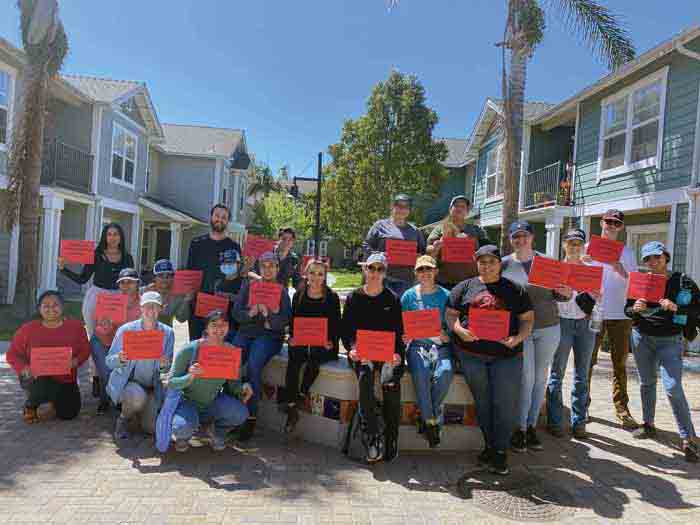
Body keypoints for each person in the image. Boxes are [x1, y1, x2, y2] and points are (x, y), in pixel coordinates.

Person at [446, 245, 534, 476]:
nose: (486, 266)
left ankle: (500, 452)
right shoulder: (465, 287)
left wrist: (518, 338)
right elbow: (451, 314)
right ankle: (489, 446)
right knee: (483, 403)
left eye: (491, 262)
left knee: (504, 404)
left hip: (506, 357)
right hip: (472, 356)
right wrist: (458, 330)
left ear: (499, 264)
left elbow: (527, 319)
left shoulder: (515, 290)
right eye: (482, 262)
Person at [626, 241, 700, 462]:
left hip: (670, 340)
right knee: (646, 382)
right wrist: (634, 308)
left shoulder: (682, 281)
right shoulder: (640, 281)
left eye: (657, 257)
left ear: (666, 257)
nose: (653, 262)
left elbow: (698, 308)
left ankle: (688, 438)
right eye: (648, 259)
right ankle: (648, 424)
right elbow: (627, 309)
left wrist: (677, 307)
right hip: (642, 338)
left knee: (673, 387)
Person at [501, 220, 569, 453]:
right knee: (526, 378)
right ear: (510, 239)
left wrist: (566, 293)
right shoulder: (504, 264)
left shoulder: (547, 262)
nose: (520, 240)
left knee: (540, 377)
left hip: (548, 326)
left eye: (524, 236)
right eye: (516, 236)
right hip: (520, 329)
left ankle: (531, 427)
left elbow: (560, 295)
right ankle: (519, 428)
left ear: (532, 237)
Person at [58, 222, 135, 399]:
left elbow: (130, 282)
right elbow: (82, 279)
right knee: (96, 338)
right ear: (104, 237)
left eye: (116, 234)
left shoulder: (127, 258)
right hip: (97, 298)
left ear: (121, 237)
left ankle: (115, 378)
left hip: (117, 299)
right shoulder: (96, 255)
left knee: (116, 339)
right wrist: (63, 269)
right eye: (109, 234)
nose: (113, 237)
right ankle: (96, 378)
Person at [342, 253, 405, 463]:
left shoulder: (392, 299)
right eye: (372, 268)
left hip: (388, 353)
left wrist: (397, 353)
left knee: (390, 382)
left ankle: (392, 437)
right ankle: (372, 436)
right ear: (364, 270)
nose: (375, 273)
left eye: (380, 269)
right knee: (366, 376)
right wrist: (351, 348)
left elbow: (398, 332)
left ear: (385, 273)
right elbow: (347, 330)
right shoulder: (354, 297)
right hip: (362, 352)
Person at [584, 209, 639, 429]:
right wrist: (583, 261)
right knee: (588, 361)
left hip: (620, 315)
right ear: (601, 223)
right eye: (609, 222)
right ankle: (583, 404)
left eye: (616, 223)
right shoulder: (588, 248)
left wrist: (621, 269)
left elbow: (634, 283)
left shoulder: (627, 253)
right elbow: (575, 277)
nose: (612, 226)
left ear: (621, 227)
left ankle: (622, 409)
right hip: (594, 312)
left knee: (620, 364)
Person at [166, 310, 253, 452]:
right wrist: (190, 376)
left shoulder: (231, 352)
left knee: (241, 414)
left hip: (212, 401)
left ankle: (216, 431)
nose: (219, 329)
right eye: (214, 325)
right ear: (206, 328)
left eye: (223, 325)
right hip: (188, 402)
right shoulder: (190, 349)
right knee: (181, 427)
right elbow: (171, 382)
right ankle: (183, 436)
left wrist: (244, 387)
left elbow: (234, 384)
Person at [231, 251, 292, 441]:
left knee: (253, 365)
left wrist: (269, 316)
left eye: (271, 265)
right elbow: (236, 312)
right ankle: (229, 412)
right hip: (246, 332)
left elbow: (286, 319)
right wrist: (251, 313)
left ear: (277, 268)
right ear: (259, 267)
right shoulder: (248, 286)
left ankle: (250, 417)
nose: (267, 269)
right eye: (264, 265)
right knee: (231, 363)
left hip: (269, 336)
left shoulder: (281, 291)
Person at [546, 229, 600, 439]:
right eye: (571, 243)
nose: (575, 247)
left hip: (585, 324)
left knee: (582, 374)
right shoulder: (555, 269)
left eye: (578, 243)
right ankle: (555, 420)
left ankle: (579, 421)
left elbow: (598, 301)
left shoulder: (591, 271)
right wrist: (562, 294)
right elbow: (547, 297)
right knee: (557, 372)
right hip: (561, 322)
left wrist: (596, 296)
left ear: (583, 246)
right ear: (564, 246)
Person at [7, 290, 90, 423]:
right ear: (39, 309)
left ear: (63, 307)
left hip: (66, 379)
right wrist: (24, 368)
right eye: (46, 305)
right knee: (39, 384)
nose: (51, 308)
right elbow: (12, 354)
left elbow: (85, 349)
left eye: (55, 305)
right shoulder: (28, 329)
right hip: (37, 377)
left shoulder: (76, 326)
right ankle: (31, 405)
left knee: (69, 414)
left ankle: (51, 401)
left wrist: (76, 361)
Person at [106, 291, 175, 441]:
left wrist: (164, 364)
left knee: (150, 428)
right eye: (147, 307)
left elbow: (166, 369)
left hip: (152, 386)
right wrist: (120, 358)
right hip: (129, 384)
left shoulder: (168, 333)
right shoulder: (126, 330)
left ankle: (139, 412)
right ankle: (123, 419)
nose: (151, 311)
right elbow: (109, 362)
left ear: (161, 309)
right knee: (137, 397)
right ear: (140, 308)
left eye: (156, 307)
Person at [400, 255, 453, 448]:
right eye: (421, 270)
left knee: (445, 374)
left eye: (428, 269)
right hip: (417, 346)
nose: (425, 273)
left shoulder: (447, 296)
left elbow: (454, 323)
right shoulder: (408, 296)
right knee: (420, 374)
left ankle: (424, 413)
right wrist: (404, 336)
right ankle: (431, 424)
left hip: (441, 346)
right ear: (415, 273)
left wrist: (447, 334)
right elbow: (402, 325)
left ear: (436, 271)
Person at [283, 258, 341, 433]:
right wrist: (291, 337)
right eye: (312, 273)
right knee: (293, 361)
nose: (316, 277)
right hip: (302, 339)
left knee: (314, 360)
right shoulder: (299, 294)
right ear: (306, 274)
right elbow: (293, 322)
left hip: (324, 343)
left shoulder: (331, 297)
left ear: (325, 276)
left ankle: (300, 395)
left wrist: (330, 340)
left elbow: (336, 324)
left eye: (320, 274)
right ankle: (293, 405)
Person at [185, 204, 245, 341]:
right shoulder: (196, 243)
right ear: (211, 218)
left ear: (227, 222)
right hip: (199, 304)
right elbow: (190, 272)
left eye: (224, 217)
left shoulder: (234, 247)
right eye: (217, 215)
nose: (220, 219)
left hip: (223, 306)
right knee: (197, 345)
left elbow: (238, 278)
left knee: (218, 350)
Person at [90, 268, 141, 414]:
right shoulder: (109, 300)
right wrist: (105, 326)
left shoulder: (143, 304)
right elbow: (98, 328)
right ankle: (106, 400)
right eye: (122, 283)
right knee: (106, 372)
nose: (126, 286)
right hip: (102, 341)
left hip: (126, 345)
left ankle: (119, 398)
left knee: (124, 372)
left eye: (130, 282)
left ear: (137, 284)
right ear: (118, 285)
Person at [363, 194, 427, 298]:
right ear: (393, 207)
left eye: (406, 207)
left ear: (409, 210)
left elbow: (422, 252)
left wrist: (418, 257)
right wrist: (379, 255)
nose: (402, 209)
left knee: (399, 310)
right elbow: (366, 245)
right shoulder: (380, 225)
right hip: (382, 277)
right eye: (399, 206)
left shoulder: (415, 231)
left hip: (406, 279)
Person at [426, 195, 490, 289]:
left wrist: (476, 253)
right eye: (456, 206)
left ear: (467, 211)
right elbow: (428, 250)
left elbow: (487, 250)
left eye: (463, 206)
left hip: (470, 281)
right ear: (450, 209)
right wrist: (437, 246)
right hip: (445, 281)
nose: (459, 208)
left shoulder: (476, 230)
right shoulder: (439, 228)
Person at [140, 259, 192, 327]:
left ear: (173, 278)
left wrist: (186, 302)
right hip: (146, 335)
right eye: (161, 276)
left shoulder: (180, 297)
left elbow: (181, 326)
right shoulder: (144, 292)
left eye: (168, 276)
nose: (164, 279)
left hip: (168, 335)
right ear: (154, 278)